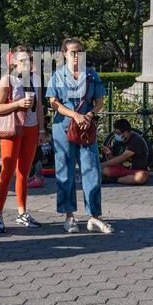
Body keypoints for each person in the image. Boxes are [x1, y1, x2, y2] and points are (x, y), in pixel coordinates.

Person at [46, 37, 111, 234]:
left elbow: (99, 101)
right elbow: (53, 102)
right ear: (64, 54)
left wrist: (90, 114)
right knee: (65, 171)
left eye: (80, 51)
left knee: (92, 169)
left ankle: (94, 216)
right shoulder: (57, 75)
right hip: (64, 127)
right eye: (73, 52)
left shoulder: (92, 75)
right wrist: (74, 114)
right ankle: (69, 216)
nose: (76, 55)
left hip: (85, 128)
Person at [0, 45, 46, 231]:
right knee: (7, 172)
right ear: (14, 61)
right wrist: (17, 104)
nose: (26, 63)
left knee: (24, 172)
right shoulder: (7, 80)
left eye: (29, 60)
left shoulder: (35, 78)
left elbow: (39, 107)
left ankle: (22, 213)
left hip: (31, 129)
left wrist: (41, 130)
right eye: (22, 60)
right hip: (13, 129)